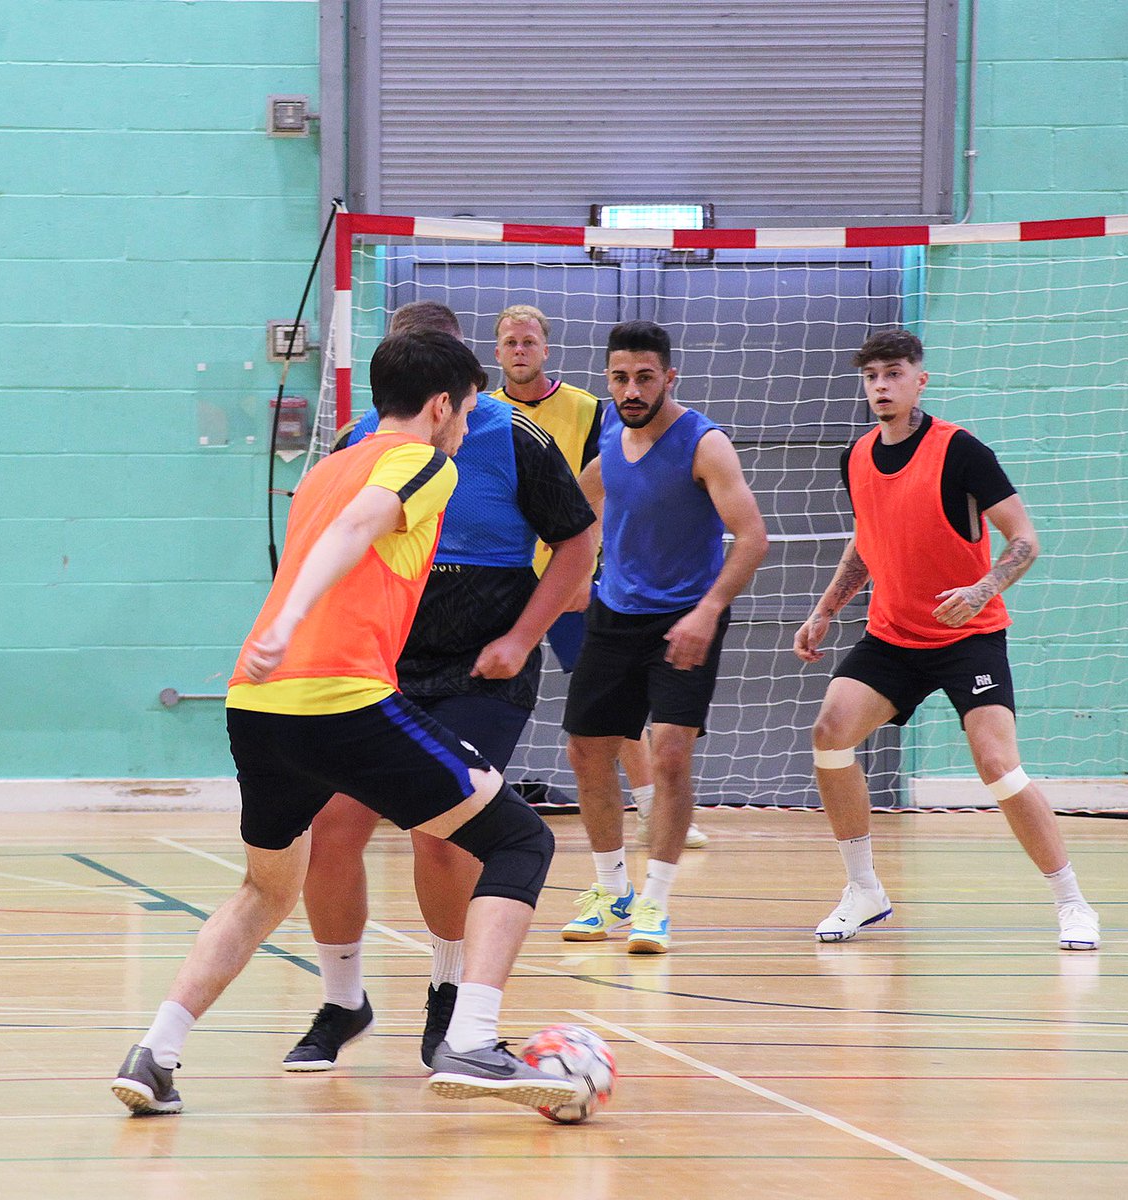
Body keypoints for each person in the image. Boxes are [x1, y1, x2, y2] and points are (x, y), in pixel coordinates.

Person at [111, 331, 579, 1116]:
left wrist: (280, 630)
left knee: (265, 889)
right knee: (519, 839)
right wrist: (292, 618)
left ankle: (156, 1052)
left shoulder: (326, 468)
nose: (470, 422)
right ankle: (471, 1037)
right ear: (441, 406)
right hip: (340, 698)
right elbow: (361, 528)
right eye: (468, 408)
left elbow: (341, 535)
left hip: (258, 706)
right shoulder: (426, 461)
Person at [282, 302, 596, 1074]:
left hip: (481, 673)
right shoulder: (368, 441)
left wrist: (521, 639)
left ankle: (448, 995)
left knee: (443, 824)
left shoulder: (519, 439)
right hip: (381, 669)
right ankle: (342, 1000)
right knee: (331, 828)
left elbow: (578, 541)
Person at [793, 329, 1100, 951]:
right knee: (830, 732)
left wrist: (982, 590)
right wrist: (825, 609)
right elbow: (866, 542)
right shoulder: (856, 456)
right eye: (872, 375)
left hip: (969, 635)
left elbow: (1023, 541)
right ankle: (863, 891)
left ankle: (1072, 902)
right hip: (894, 636)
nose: (882, 385)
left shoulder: (960, 450)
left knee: (995, 763)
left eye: (894, 374)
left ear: (919, 381)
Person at [560, 320, 769, 953]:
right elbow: (586, 500)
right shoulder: (610, 438)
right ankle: (610, 888)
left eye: (645, 377)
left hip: (684, 617)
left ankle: (654, 901)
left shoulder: (705, 444)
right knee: (587, 751)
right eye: (620, 377)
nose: (632, 388)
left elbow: (753, 538)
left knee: (671, 752)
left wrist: (709, 610)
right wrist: (577, 566)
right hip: (615, 613)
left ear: (668, 378)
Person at [491, 303, 709, 849]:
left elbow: (606, 487)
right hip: (502, 577)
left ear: (546, 349)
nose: (520, 350)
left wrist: (585, 568)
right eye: (510, 342)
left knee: (616, 706)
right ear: (497, 352)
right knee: (485, 689)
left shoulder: (592, 410)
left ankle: (650, 806)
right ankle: (465, 801)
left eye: (529, 342)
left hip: (571, 581)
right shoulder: (482, 414)